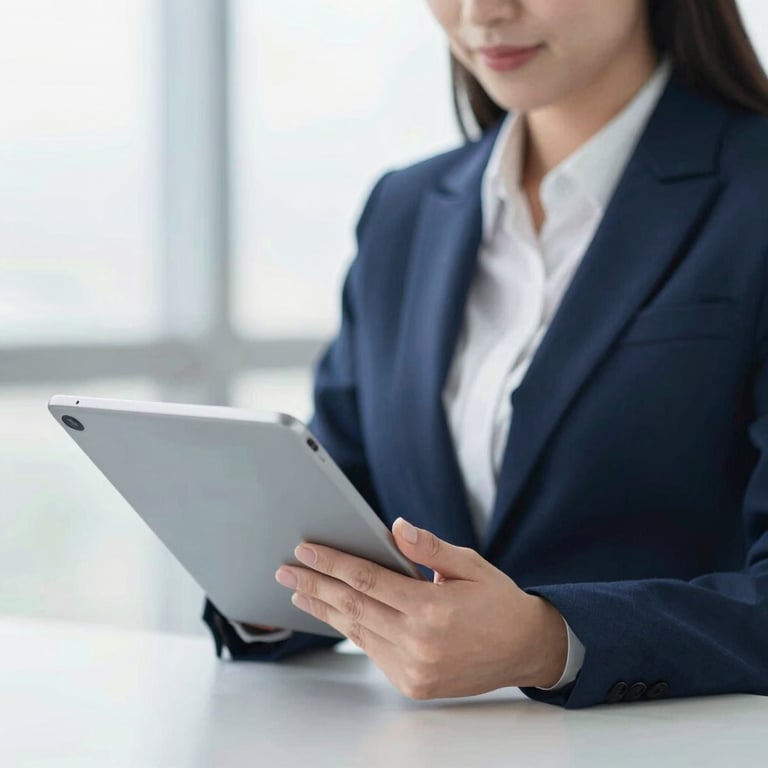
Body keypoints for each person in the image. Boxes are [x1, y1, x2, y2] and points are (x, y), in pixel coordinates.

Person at [203, 0, 768, 708]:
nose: (483, 12)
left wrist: (550, 641)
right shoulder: (405, 210)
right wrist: (269, 593)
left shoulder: (752, 191)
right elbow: (351, 497)